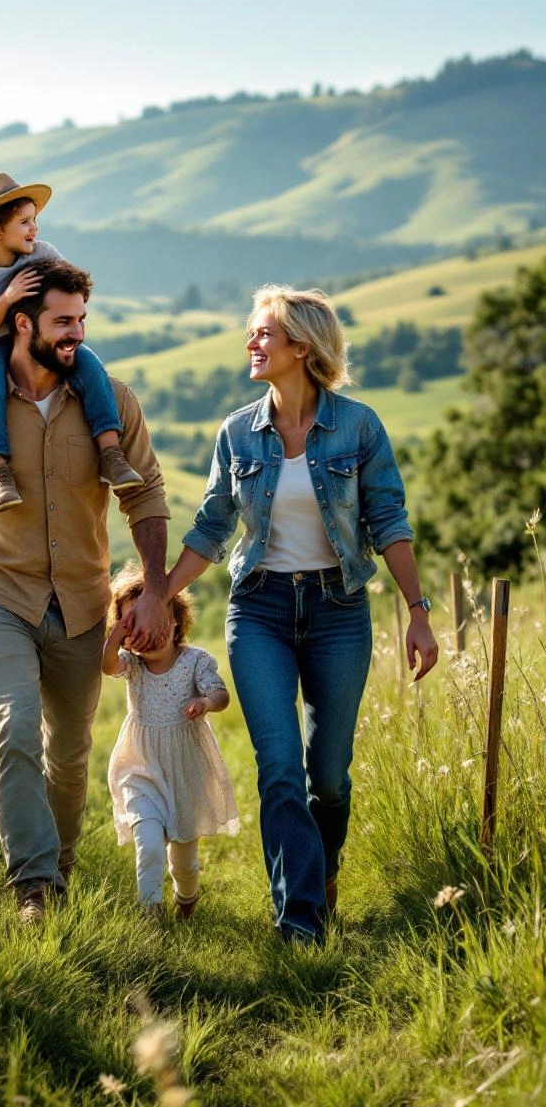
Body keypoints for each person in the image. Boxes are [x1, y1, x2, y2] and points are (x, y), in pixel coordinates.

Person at [164, 284, 438, 943]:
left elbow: (390, 522)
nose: (251, 343)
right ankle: (299, 920)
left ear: (302, 348)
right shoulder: (237, 433)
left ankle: (322, 871)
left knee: (329, 778)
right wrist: (157, 593)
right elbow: (209, 528)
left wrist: (418, 611)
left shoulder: (359, 427)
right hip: (257, 609)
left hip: (338, 612)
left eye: (263, 333)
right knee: (279, 765)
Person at [0, 259, 171, 922]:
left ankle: (59, 867)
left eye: (83, 320)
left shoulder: (110, 401)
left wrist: (152, 588)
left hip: (83, 600)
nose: (77, 334)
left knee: (70, 754)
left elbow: (145, 494)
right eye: (64, 322)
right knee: (14, 732)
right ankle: (33, 887)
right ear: (22, 322)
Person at [0, 171, 143, 513]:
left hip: (30, 337)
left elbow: (75, 286)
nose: (34, 229)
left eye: (34, 220)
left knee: (90, 366)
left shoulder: (43, 252)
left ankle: (111, 453)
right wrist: (8, 297)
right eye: (24, 222)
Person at [104, 561, 239, 918]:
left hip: (183, 771)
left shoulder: (194, 662)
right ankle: (151, 914)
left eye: (151, 619)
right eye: (133, 625)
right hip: (141, 767)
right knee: (147, 844)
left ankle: (186, 896)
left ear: (175, 619)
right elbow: (104, 665)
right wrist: (119, 630)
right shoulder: (132, 665)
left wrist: (206, 702)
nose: (144, 633)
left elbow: (222, 695)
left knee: (183, 861)